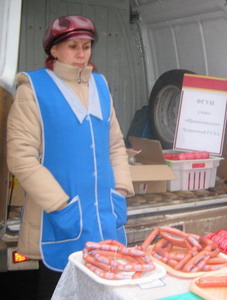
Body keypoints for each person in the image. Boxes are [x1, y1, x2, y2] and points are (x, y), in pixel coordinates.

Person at [7, 15, 134, 295]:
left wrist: (121, 192)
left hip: (104, 216)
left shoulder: (100, 85)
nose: (81, 54)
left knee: (104, 290)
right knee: (60, 291)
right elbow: (21, 157)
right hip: (58, 218)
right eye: (72, 46)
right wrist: (61, 207)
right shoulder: (33, 89)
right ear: (54, 50)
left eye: (87, 47)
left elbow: (114, 145)